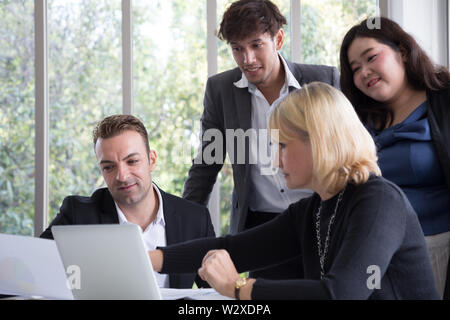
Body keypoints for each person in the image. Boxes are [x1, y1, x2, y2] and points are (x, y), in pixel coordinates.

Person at [148, 82, 439, 300]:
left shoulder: (379, 201)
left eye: (282, 146)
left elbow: (340, 295)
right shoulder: (314, 209)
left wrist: (239, 288)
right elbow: (236, 249)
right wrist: (149, 258)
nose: (275, 160)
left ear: (320, 141)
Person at [182, 0, 339, 280]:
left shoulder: (324, 80)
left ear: (278, 39)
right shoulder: (220, 90)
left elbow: (347, 152)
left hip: (321, 219)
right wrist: (182, 228)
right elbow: (206, 166)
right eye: (237, 49)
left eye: (256, 45)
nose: (248, 59)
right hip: (263, 229)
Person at [339, 17, 450, 299]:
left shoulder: (444, 100)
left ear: (402, 50)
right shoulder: (358, 120)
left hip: (438, 250)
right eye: (355, 69)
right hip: (379, 255)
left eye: (371, 57)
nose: (364, 72)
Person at [40, 114, 215, 289]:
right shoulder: (77, 214)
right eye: (109, 167)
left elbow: (215, 292)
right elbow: (34, 267)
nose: (122, 176)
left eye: (132, 161)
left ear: (151, 160)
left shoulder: (195, 219)